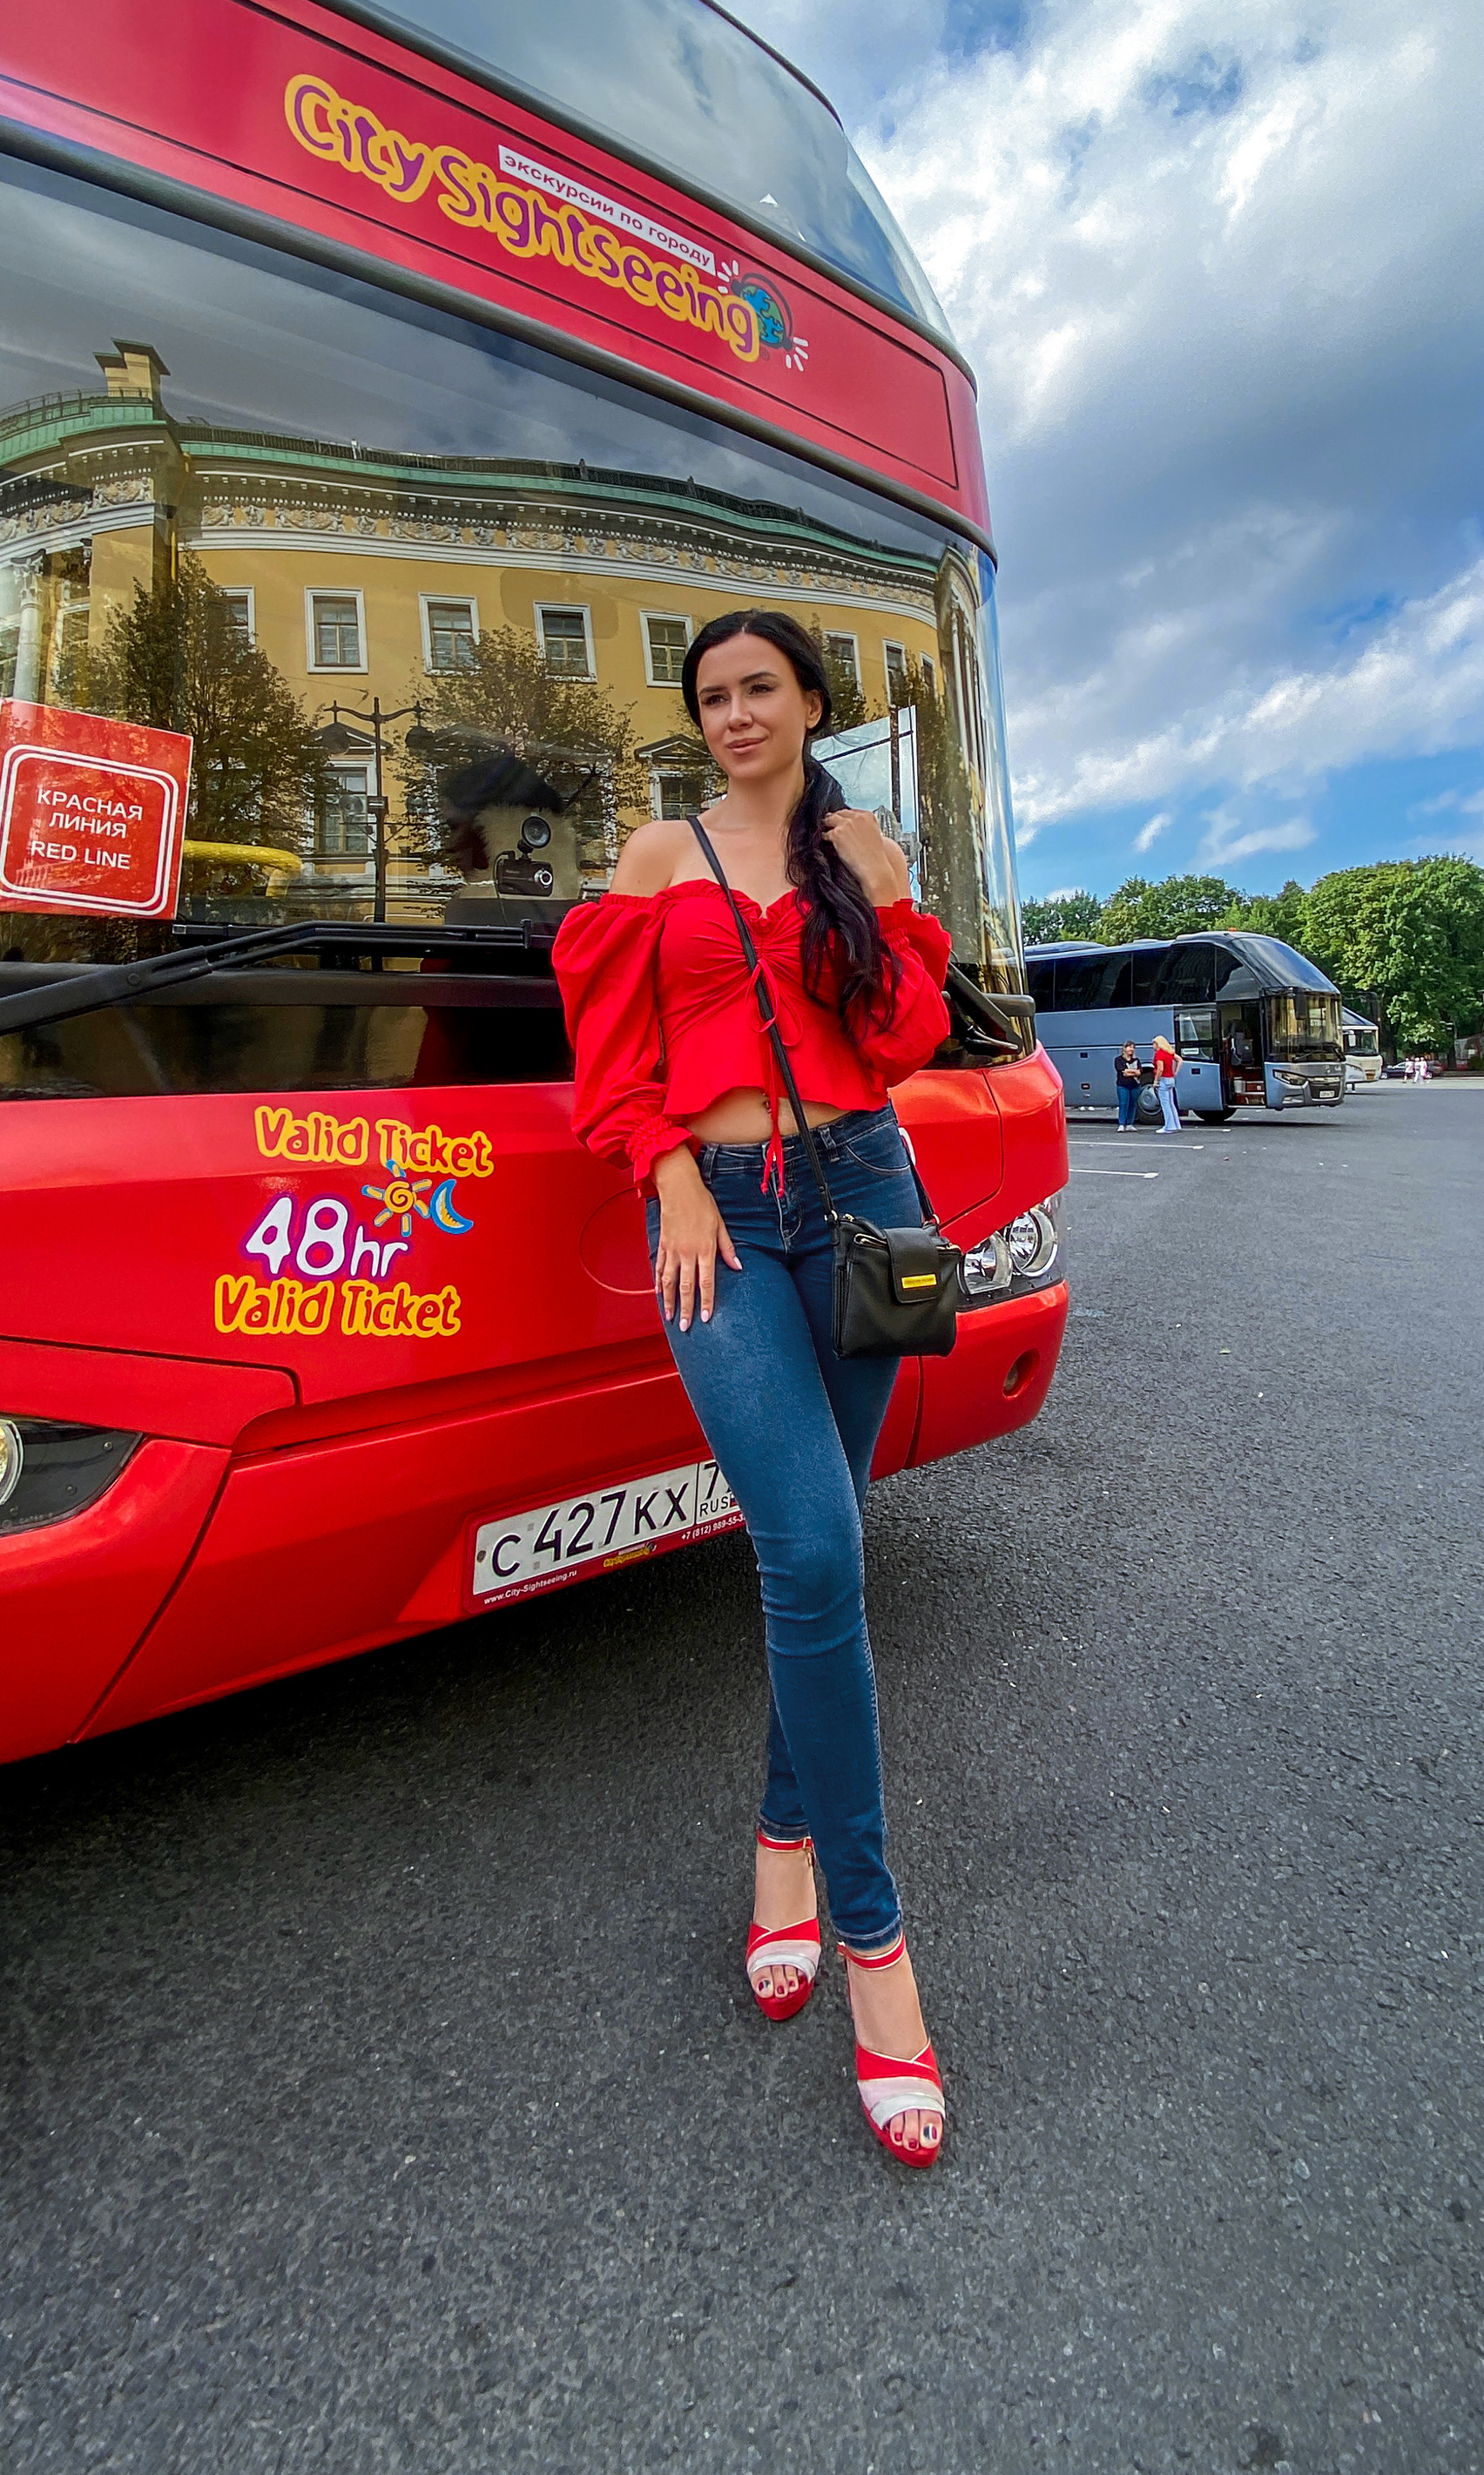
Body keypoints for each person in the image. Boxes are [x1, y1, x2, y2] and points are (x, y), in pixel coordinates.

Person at [551, 610, 955, 2169]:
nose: (734, 713)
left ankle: (785, 1844)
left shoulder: (863, 846)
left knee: (828, 1551)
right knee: (806, 1547)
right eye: (712, 694)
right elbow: (611, 1042)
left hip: (864, 1188)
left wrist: (904, 908)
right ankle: (881, 1952)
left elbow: (905, 1037)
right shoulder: (661, 859)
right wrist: (668, 1176)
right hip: (719, 1210)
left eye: (759, 689)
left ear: (807, 703)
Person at [1150, 1027, 1182, 1131]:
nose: (1153, 1046)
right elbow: (1180, 1060)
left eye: (1154, 1043)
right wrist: (1175, 1072)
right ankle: (1176, 1124)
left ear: (1158, 1044)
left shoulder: (1159, 1054)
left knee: (1165, 1104)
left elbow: (1160, 1069)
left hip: (1163, 1080)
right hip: (1171, 1079)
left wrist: (1156, 1081)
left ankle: (1169, 1126)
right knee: (1171, 1103)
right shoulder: (1169, 1052)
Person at [1114, 1038, 1143, 1129]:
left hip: (1135, 1085)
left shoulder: (1136, 1060)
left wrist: (1130, 1072)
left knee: (1132, 1104)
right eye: (1130, 1047)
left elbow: (1139, 1072)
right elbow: (1123, 1072)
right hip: (1123, 1085)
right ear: (1124, 1049)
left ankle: (1130, 1123)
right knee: (1123, 1104)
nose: (1132, 1049)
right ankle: (1122, 1124)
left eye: (1133, 1048)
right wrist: (1133, 1071)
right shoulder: (1118, 1060)